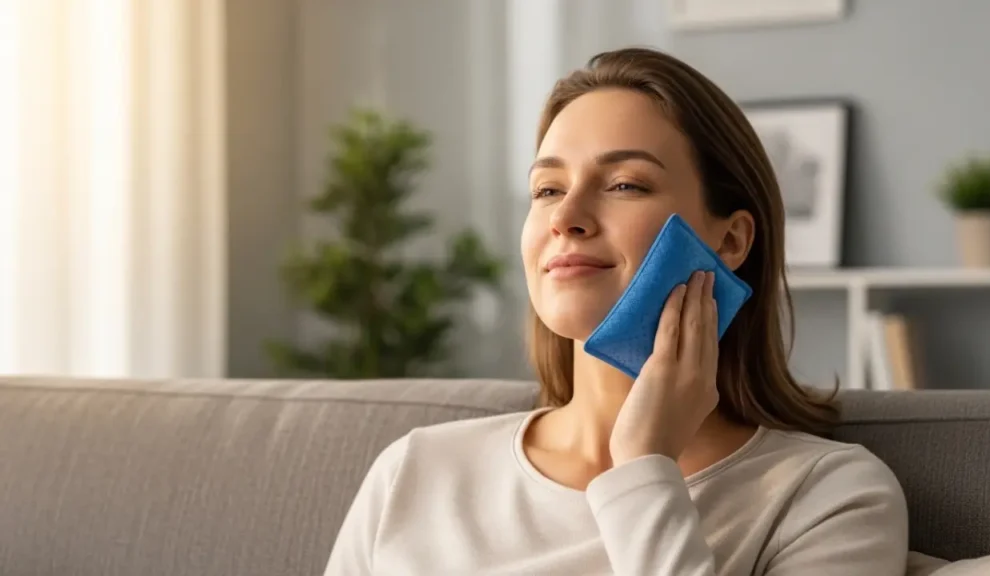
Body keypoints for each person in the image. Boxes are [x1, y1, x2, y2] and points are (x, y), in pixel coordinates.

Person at [324, 47, 908, 575]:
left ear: (730, 241)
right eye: (547, 189)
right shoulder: (416, 470)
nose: (566, 216)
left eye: (625, 184)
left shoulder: (826, 496)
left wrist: (644, 467)